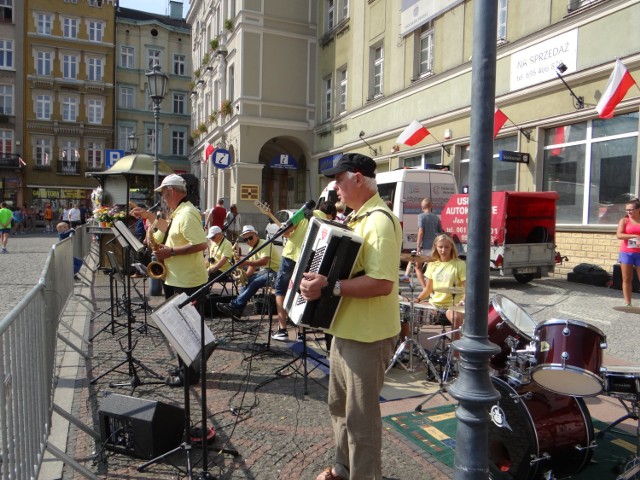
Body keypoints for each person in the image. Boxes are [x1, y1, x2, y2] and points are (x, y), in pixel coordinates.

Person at [298, 153, 401, 480]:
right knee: (339, 408)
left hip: (368, 336)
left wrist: (331, 288)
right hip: (346, 329)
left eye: (339, 179)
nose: (334, 186)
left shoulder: (380, 221)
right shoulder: (357, 217)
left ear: (358, 178)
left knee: (361, 421)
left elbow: (382, 283)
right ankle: (343, 470)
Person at [131, 174, 208, 387]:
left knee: (186, 331)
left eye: (164, 195)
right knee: (180, 330)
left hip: (187, 281)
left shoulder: (188, 213)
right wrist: (149, 219)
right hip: (178, 278)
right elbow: (167, 230)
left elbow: (201, 244)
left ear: (171, 192)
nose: (163, 199)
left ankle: (189, 376)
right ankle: (185, 368)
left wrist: (171, 252)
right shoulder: (179, 212)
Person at [272, 207, 327, 341]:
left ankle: (282, 329)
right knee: (301, 292)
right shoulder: (324, 218)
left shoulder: (303, 214)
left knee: (280, 291)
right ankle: (301, 332)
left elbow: (285, 232)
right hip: (306, 258)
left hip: (291, 255)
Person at [217, 225, 282, 317]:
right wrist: (245, 276)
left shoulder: (265, 244)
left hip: (276, 272)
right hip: (267, 271)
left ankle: (234, 305)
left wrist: (245, 262)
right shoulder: (251, 249)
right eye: (245, 240)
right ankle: (238, 311)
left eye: (250, 238)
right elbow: (252, 266)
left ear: (256, 235)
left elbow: (264, 261)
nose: (248, 241)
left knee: (255, 282)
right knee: (246, 282)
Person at [415, 233, 466, 337]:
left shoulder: (460, 264)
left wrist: (461, 303)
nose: (443, 250)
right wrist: (417, 300)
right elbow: (428, 289)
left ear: (452, 247)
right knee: (409, 311)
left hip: (453, 305)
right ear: (435, 247)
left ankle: (455, 351)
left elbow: (468, 290)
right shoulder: (432, 264)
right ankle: (410, 347)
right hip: (434, 305)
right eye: (440, 247)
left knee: (455, 317)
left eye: (446, 247)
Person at [401, 198, 444, 287]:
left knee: (418, 268)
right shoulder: (436, 218)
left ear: (422, 207)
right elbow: (440, 232)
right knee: (431, 269)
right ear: (431, 206)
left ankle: (425, 288)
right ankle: (431, 288)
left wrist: (418, 245)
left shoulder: (421, 216)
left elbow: (421, 231)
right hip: (433, 246)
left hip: (424, 246)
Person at [616, 197, 640, 306]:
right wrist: (634, 236)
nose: (629, 212)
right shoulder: (624, 220)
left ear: (638, 209)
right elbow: (619, 235)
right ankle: (628, 303)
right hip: (626, 253)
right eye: (627, 210)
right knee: (626, 278)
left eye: (631, 210)